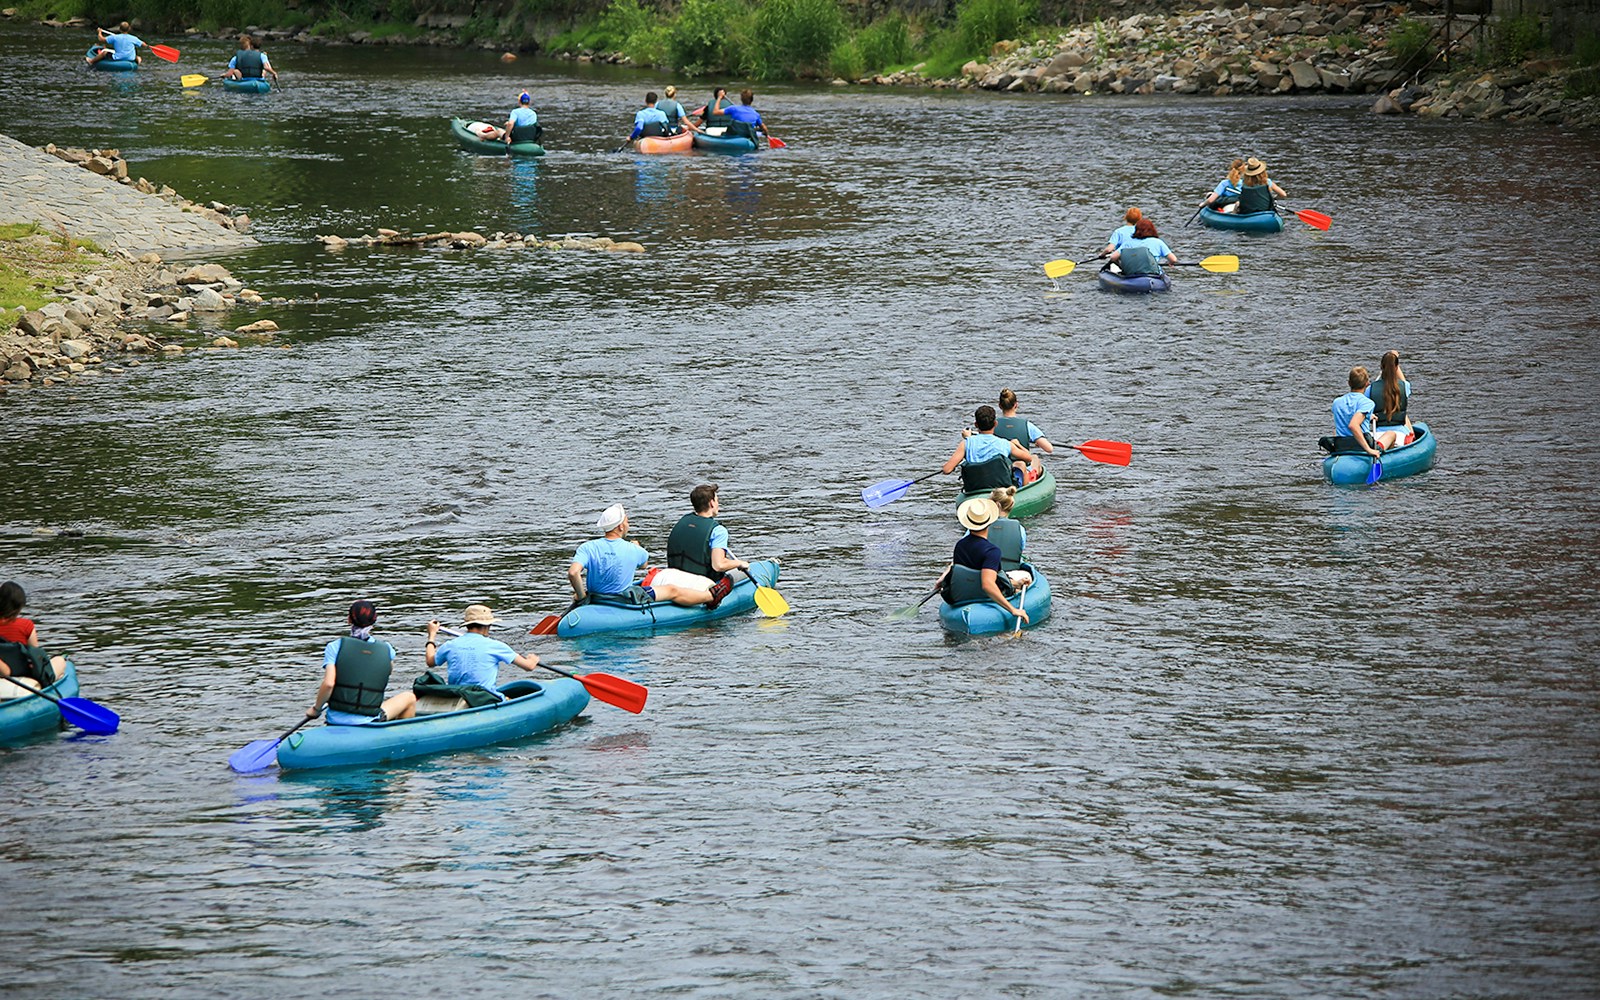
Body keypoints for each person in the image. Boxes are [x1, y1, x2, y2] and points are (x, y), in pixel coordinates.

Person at [568, 504, 732, 609]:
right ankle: (711, 596)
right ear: (619, 527)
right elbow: (644, 564)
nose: (628, 522)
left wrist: (581, 596)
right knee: (672, 590)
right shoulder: (633, 549)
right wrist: (636, 547)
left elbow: (573, 572)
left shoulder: (587, 547)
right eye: (626, 520)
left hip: (596, 596)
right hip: (624, 598)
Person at [306, 600, 417, 725]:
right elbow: (387, 672)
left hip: (335, 719)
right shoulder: (387, 650)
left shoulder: (335, 647)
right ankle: (401, 739)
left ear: (349, 619)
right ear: (374, 621)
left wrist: (316, 709)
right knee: (409, 698)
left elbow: (329, 684)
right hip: (369, 719)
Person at [935, 498, 1030, 622]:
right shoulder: (992, 551)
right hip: (983, 595)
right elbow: (987, 585)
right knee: (1026, 574)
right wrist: (1013, 610)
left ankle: (1014, 583)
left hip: (963, 594)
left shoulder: (960, 545)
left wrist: (942, 579)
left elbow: (962, 570)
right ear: (989, 522)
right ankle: (1015, 584)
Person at [423, 604, 541, 694]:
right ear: (488, 625)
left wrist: (432, 635)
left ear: (467, 625)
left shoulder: (450, 645)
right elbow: (528, 666)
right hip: (483, 698)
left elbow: (430, 661)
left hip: (457, 695)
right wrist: (533, 659)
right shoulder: (495, 645)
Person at [665, 484, 751, 588]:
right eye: (717, 500)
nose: (718, 504)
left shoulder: (682, 522)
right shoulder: (718, 530)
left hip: (675, 580)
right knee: (745, 572)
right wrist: (739, 563)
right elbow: (719, 565)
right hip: (701, 585)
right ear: (711, 503)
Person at [941, 405, 1040, 490]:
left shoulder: (966, 443)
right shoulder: (1005, 444)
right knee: (1021, 464)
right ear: (995, 424)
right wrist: (1017, 444)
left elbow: (947, 470)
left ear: (976, 425)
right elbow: (1029, 458)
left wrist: (968, 438)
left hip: (975, 487)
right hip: (1001, 487)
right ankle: (1023, 493)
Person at [0, 581, 67, 693]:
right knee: (61, 660)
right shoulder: (26, 625)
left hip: (4, 672)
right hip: (24, 673)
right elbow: (35, 655)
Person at [1332, 366, 1399, 457]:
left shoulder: (1337, 402)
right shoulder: (1367, 403)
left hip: (1341, 446)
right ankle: (1385, 459)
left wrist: (1367, 417)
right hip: (1360, 448)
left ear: (1349, 383)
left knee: (1336, 430)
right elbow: (1353, 425)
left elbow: (1348, 414)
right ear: (1367, 384)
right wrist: (1369, 450)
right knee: (1391, 434)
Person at [995, 388, 1055, 478]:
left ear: (1000, 406)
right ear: (1016, 405)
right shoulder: (1027, 425)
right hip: (1021, 468)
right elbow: (1049, 449)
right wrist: (1037, 441)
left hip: (1000, 468)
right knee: (1035, 458)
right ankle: (1031, 480)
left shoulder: (991, 426)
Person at [985, 487, 1034, 590]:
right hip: (1010, 574)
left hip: (985, 574)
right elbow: (1019, 549)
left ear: (997, 505)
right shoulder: (1020, 529)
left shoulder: (979, 527)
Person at [1366, 350, 1415, 445]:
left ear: (1381, 367)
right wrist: (1395, 359)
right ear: (1396, 368)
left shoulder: (1370, 389)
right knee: (1405, 417)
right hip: (1401, 434)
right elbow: (1403, 381)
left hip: (1378, 434)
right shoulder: (1405, 386)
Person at [1107, 217, 1179, 277]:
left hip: (1131, 275)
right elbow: (1173, 259)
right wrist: (1170, 262)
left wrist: (1121, 266)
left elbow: (1113, 258)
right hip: (1153, 275)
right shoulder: (1158, 242)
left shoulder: (1128, 243)